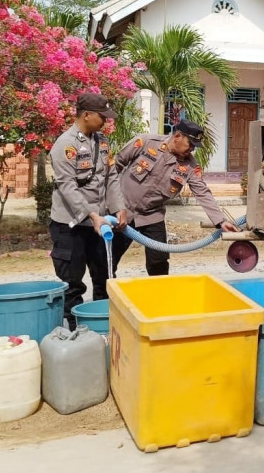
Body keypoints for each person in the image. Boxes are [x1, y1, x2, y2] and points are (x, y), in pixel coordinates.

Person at [111, 119, 239, 276]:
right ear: (177, 136)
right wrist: (111, 203)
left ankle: (161, 298)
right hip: (121, 211)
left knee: (159, 264)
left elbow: (202, 192)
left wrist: (221, 221)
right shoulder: (146, 142)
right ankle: (105, 297)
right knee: (108, 261)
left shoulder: (190, 166)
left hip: (152, 216)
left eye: (194, 146)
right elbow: (114, 167)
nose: (192, 149)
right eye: (190, 144)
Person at [49, 92, 127, 330]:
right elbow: (68, 187)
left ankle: (103, 328)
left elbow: (111, 177)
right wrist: (92, 215)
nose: (106, 121)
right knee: (72, 284)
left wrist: (119, 207)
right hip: (71, 225)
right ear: (86, 115)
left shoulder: (101, 142)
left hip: (99, 223)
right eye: (102, 116)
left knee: (104, 277)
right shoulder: (65, 145)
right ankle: (76, 332)